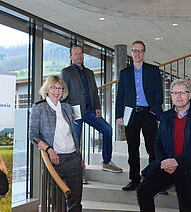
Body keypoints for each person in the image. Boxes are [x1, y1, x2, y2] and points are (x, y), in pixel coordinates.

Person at [137, 79, 191, 212]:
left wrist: (177, 161)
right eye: (175, 93)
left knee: (187, 207)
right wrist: (164, 161)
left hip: (189, 168)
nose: (179, 96)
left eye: (183, 92)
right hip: (167, 166)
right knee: (143, 192)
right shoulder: (165, 116)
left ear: (189, 95)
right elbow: (158, 142)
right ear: (171, 95)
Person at [61, 45, 122, 173]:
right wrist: (68, 112)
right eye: (76, 54)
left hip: (90, 110)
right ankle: (77, 172)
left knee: (107, 129)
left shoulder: (89, 72)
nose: (79, 56)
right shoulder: (66, 72)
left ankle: (106, 162)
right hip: (74, 112)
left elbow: (94, 92)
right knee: (76, 141)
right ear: (71, 57)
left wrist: (98, 107)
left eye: (81, 54)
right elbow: (64, 93)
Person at [29, 75, 83, 212]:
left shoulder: (67, 107)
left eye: (60, 88)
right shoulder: (39, 108)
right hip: (55, 160)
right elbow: (33, 135)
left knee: (76, 201)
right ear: (47, 89)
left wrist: (80, 156)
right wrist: (49, 149)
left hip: (73, 159)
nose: (57, 91)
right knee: (56, 201)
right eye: (53, 87)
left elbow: (73, 135)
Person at [115, 40, 163, 191]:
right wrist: (119, 115)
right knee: (132, 149)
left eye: (140, 51)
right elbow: (120, 95)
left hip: (148, 113)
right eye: (135, 51)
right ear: (131, 53)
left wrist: (154, 111)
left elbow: (159, 93)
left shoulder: (153, 70)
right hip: (131, 114)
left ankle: (155, 180)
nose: (137, 54)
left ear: (144, 53)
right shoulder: (125, 73)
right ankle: (134, 180)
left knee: (152, 148)